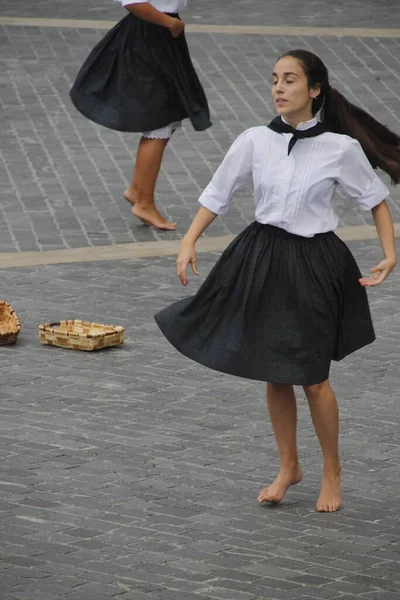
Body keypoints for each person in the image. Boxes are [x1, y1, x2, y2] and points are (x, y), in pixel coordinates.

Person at [155, 49, 399, 512]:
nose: (279, 89)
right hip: (262, 256)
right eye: (274, 80)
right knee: (274, 371)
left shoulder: (340, 148)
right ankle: (289, 466)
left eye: (290, 80)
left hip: (314, 263)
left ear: (314, 90)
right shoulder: (254, 140)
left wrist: (390, 255)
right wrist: (188, 240)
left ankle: (332, 470)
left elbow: (375, 200)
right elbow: (218, 192)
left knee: (313, 378)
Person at [70, 0, 212, 230]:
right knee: (160, 121)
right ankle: (144, 203)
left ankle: (137, 189)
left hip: (161, 34)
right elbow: (133, 2)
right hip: (151, 35)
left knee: (169, 114)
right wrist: (170, 23)